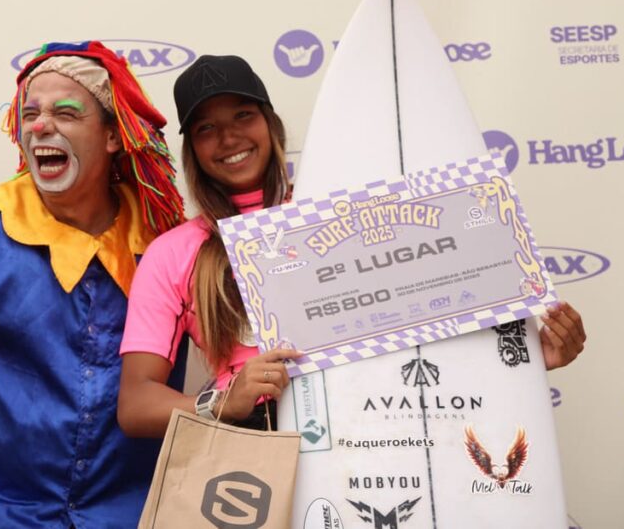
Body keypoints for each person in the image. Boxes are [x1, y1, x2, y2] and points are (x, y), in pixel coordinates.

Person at [116, 55, 587, 438]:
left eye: (244, 114)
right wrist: (222, 401)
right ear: (192, 151)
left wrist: (524, 358)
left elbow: (425, 317)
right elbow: (136, 403)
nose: (229, 137)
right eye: (205, 128)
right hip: (259, 448)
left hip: (382, 430)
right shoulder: (175, 252)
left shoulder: (353, 215)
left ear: (272, 125)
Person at [0, 42, 185, 529]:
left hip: (131, 511)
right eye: (29, 114)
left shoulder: (164, 237)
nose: (40, 126)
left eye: (66, 113)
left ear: (113, 136)